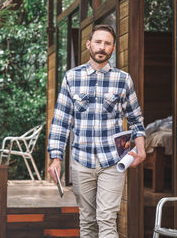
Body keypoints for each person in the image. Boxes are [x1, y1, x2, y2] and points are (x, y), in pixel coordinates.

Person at [47, 24, 146, 238]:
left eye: (107, 43)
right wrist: (55, 158)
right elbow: (61, 121)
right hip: (81, 161)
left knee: (107, 219)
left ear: (113, 48)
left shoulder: (123, 79)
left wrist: (141, 149)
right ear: (88, 44)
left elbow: (136, 119)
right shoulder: (71, 78)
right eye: (98, 42)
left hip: (112, 161)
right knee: (88, 221)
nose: (102, 47)